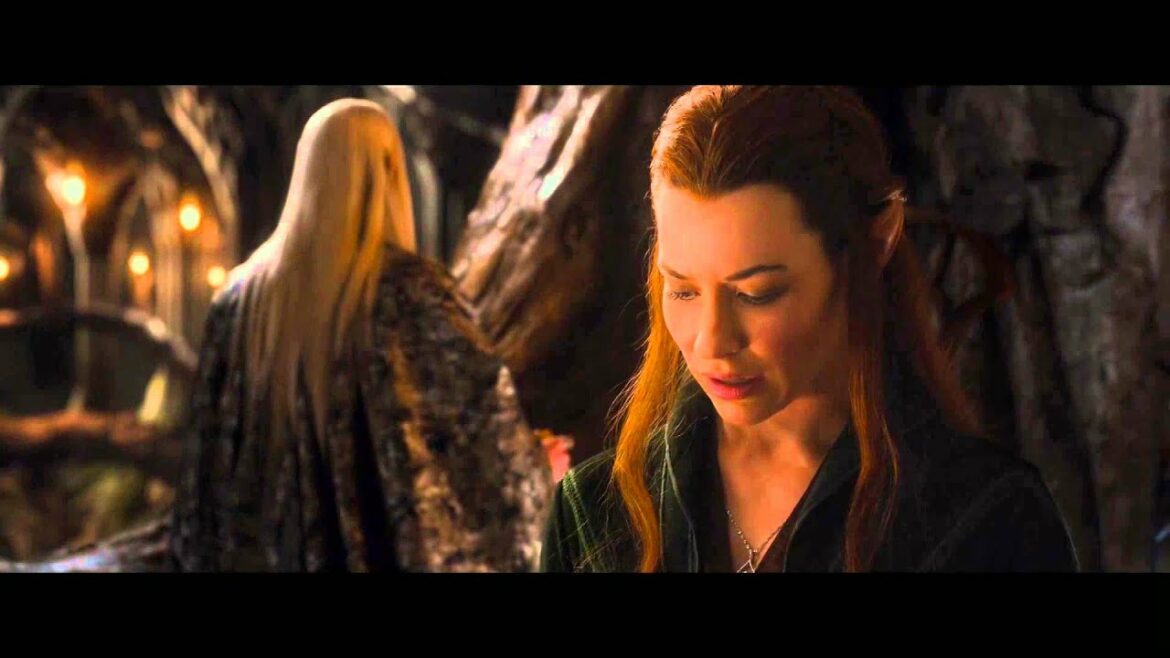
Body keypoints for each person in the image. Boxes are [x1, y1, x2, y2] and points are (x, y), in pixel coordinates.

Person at [540, 86, 1078, 572]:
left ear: (876, 242)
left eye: (756, 294)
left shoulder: (986, 521)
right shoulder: (595, 516)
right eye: (682, 290)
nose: (711, 341)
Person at [172, 99, 550, 572]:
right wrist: (537, 466)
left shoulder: (238, 300)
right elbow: (481, 432)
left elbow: (203, 474)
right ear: (389, 173)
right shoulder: (410, 293)